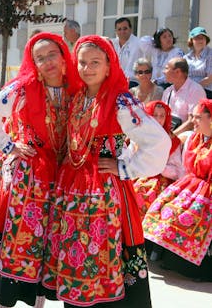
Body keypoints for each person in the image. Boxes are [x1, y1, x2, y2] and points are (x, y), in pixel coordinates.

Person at [42, 35, 170, 307]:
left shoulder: (120, 101)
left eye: (95, 62)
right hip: (72, 189)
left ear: (110, 65)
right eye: (83, 62)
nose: (87, 68)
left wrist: (125, 166)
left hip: (103, 192)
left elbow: (158, 141)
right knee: (77, 257)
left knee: (103, 255)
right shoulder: (78, 97)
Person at [0, 32, 81, 308]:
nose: (47, 62)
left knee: (47, 248)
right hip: (29, 179)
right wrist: (9, 145)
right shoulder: (22, 89)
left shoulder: (76, 89)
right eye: (40, 58)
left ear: (63, 54)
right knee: (19, 243)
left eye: (52, 55)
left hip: (60, 176)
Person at [143, 98, 212, 282]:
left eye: (198, 117)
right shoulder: (194, 137)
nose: (193, 121)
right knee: (162, 207)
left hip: (208, 191)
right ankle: (161, 255)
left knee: (185, 216)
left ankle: (191, 265)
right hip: (191, 185)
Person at [133, 101, 184, 218]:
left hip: (159, 180)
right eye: (155, 115)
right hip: (139, 173)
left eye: (162, 116)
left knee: (139, 195)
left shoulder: (172, 140)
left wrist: (158, 166)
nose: (158, 119)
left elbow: (178, 171)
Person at [162, 57, 206, 134]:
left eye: (166, 68)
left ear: (178, 72)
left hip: (185, 135)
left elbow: (192, 122)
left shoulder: (195, 90)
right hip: (168, 132)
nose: (164, 72)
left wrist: (171, 137)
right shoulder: (168, 91)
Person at [111, 17, 143, 86]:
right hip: (115, 80)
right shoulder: (112, 44)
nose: (122, 31)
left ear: (130, 29)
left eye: (125, 28)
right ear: (116, 31)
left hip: (133, 81)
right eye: (119, 29)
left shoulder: (139, 43)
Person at [184, 26, 212, 98]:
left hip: (206, 91)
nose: (200, 40)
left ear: (206, 40)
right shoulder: (186, 57)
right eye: (197, 38)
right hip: (188, 91)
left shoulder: (210, 54)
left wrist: (194, 88)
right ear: (191, 40)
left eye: (202, 38)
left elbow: (209, 78)